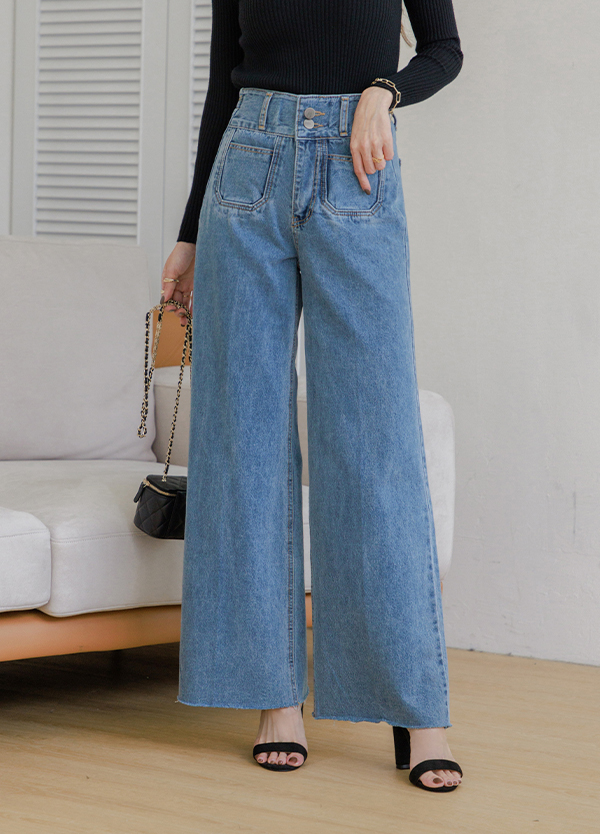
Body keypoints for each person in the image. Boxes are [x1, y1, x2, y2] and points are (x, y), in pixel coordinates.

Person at [161, 0, 464, 792]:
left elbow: (444, 49)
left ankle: (418, 711)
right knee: (242, 441)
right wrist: (190, 233)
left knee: (375, 444)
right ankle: (274, 701)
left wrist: (385, 92)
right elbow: (222, 89)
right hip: (244, 172)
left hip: (355, 168)